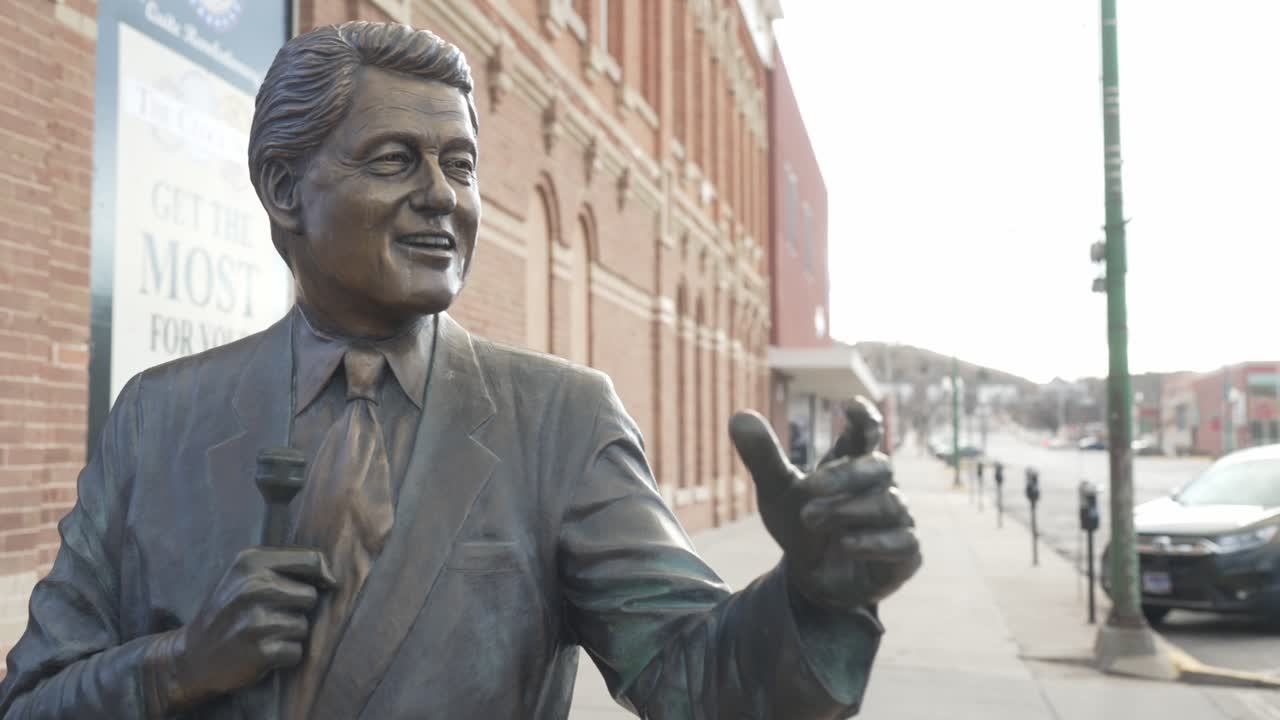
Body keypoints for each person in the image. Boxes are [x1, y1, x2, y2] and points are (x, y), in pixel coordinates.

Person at [0, 22, 920, 719]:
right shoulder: (158, 417)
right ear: (285, 190)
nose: (442, 195)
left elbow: (692, 672)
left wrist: (814, 596)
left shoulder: (559, 419)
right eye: (395, 159)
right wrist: (182, 664)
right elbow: (34, 696)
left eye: (461, 164)